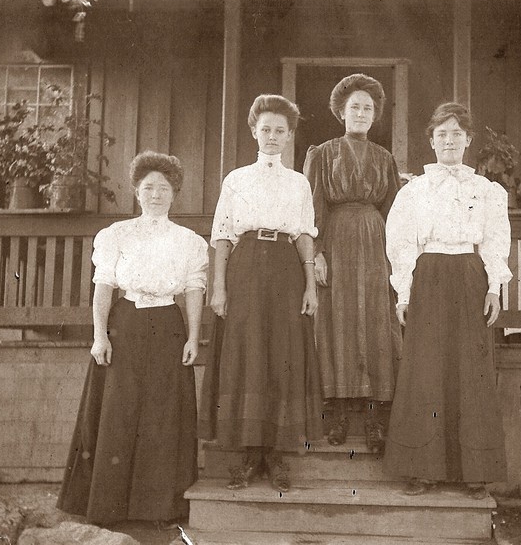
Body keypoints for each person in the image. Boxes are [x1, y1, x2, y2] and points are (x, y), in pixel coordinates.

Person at [58, 151, 208, 526]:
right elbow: (103, 287)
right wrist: (99, 336)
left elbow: (193, 290)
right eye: (148, 188)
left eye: (163, 188)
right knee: (117, 413)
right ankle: (107, 507)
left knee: (163, 415)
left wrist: (193, 337)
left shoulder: (189, 241)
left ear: (174, 193)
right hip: (124, 324)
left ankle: (158, 509)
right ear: (137, 193)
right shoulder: (116, 235)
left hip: (168, 327)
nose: (156, 194)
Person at [383, 102, 510, 499]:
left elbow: (495, 240)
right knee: (425, 370)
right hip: (429, 275)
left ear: (468, 140)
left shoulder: (486, 191)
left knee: (471, 369)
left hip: (471, 274)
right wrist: (403, 292)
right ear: (431, 141)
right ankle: (422, 471)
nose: (450, 141)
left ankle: (474, 473)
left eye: (457, 134)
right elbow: (401, 244)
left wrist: (493, 287)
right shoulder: (414, 191)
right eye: (442, 134)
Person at [200, 94, 322, 493]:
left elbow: (304, 235)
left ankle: (278, 455)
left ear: (289, 137)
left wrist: (309, 285)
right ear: (254, 132)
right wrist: (219, 286)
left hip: (286, 269)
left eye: (280, 131)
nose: (272, 136)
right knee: (249, 353)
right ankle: (251, 454)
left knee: (282, 354)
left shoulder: (299, 183)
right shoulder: (236, 179)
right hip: (246, 266)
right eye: (265, 129)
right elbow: (221, 236)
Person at [303, 73, 402, 453]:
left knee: (377, 319)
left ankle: (377, 420)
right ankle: (339, 414)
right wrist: (317, 253)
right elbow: (312, 206)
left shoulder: (385, 158)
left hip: (376, 244)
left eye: (368, 108)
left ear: (375, 115)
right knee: (337, 320)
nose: (361, 113)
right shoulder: (322, 153)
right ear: (341, 113)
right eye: (354, 107)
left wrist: (394, 257)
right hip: (337, 239)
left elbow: (394, 210)